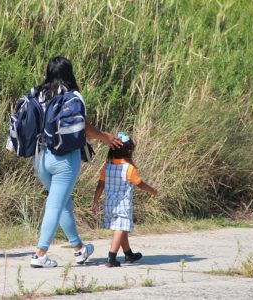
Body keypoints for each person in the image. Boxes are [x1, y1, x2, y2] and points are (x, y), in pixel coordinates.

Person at [29, 56, 123, 268]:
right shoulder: (73, 96)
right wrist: (105, 137)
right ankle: (40, 253)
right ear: (69, 73)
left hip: (40, 159)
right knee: (55, 205)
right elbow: (84, 128)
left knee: (63, 203)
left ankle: (79, 249)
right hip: (65, 160)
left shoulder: (40, 94)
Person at [92, 132, 157, 267]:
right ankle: (112, 257)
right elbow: (140, 184)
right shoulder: (129, 168)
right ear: (128, 151)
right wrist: (152, 190)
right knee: (120, 229)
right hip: (122, 204)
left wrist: (95, 201)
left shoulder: (107, 166)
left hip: (110, 204)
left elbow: (100, 185)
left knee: (122, 228)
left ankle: (128, 253)